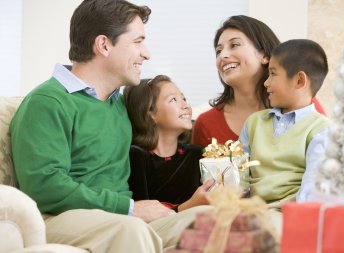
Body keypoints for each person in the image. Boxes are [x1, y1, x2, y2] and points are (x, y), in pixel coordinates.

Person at [10, 1, 208, 252]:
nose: (147, 54)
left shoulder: (118, 104)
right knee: (131, 229)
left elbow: (162, 138)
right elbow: (45, 186)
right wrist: (129, 208)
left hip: (121, 218)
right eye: (137, 42)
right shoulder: (48, 101)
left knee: (208, 221)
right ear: (104, 45)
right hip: (59, 217)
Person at [192, 15, 326, 147]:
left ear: (265, 55)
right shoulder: (206, 124)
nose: (223, 55)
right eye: (218, 51)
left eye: (234, 45)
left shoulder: (303, 104)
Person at [239, 39, 331, 208]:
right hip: (247, 210)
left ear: (299, 81)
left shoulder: (322, 130)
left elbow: (312, 187)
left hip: (288, 214)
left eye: (273, 74)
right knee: (199, 217)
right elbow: (239, 174)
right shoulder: (253, 123)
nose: (266, 83)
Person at [124, 75, 213, 211]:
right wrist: (189, 206)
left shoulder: (195, 154)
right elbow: (142, 216)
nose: (186, 105)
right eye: (173, 100)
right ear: (150, 113)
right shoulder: (136, 157)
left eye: (184, 98)